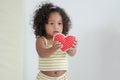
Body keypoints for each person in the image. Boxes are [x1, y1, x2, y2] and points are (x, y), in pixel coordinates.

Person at [33, 2, 77, 80]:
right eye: (51, 23)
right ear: (43, 25)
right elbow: (42, 53)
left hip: (62, 77)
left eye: (59, 23)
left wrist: (72, 48)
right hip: (45, 78)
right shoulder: (42, 40)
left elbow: (72, 54)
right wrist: (52, 49)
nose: (56, 27)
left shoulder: (64, 40)